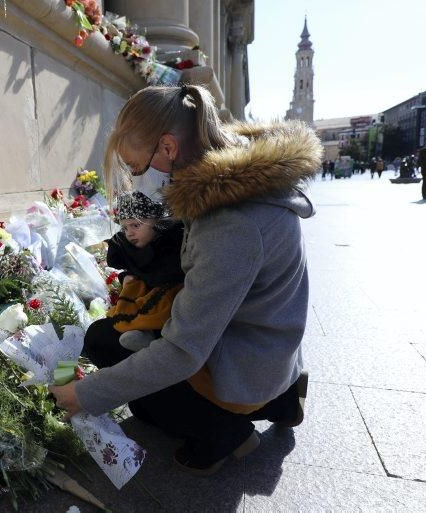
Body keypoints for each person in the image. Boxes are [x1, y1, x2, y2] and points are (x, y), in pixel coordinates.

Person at [49, 84, 320, 475]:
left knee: (117, 361)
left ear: (168, 149)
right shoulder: (231, 182)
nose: (137, 179)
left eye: (137, 168)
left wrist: (83, 394)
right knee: (111, 339)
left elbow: (182, 352)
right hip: (262, 347)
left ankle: (225, 433)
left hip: (245, 361)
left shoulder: (231, 221)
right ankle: (281, 399)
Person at [86, 190, 185, 355]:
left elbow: (166, 273)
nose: (129, 232)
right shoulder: (127, 247)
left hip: (171, 292)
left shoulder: (169, 242)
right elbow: (132, 270)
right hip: (146, 290)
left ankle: (151, 333)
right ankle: (139, 330)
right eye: (125, 227)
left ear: (155, 222)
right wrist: (128, 278)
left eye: (136, 225)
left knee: (162, 301)